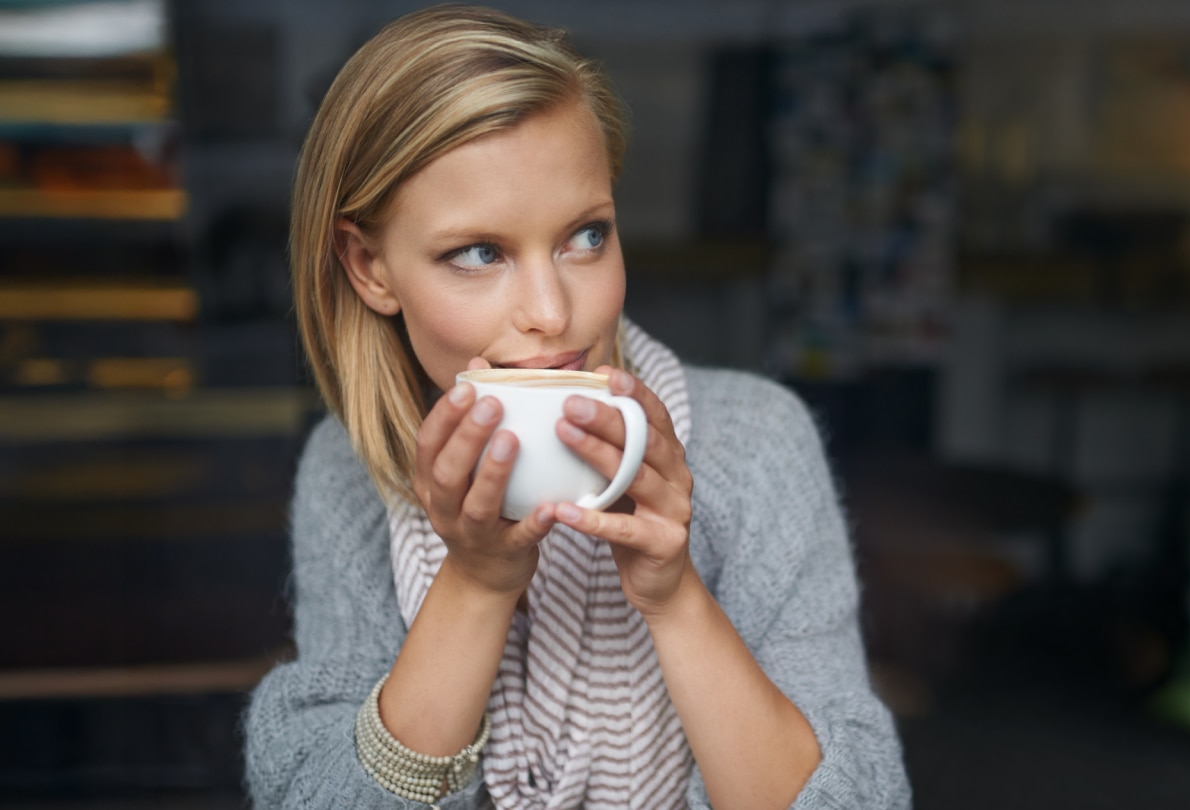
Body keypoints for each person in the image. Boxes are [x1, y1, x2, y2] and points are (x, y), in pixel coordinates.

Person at [242, 5, 910, 809]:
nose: (553, 312)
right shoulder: (352, 473)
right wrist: (478, 583)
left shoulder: (760, 444)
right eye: (480, 253)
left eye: (585, 237)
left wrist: (674, 595)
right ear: (369, 266)